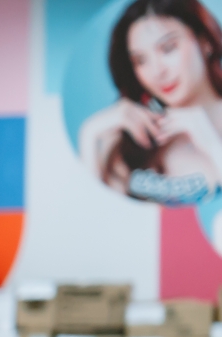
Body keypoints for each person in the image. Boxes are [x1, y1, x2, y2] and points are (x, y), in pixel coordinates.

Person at [79, 0, 222, 203]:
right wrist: (90, 133)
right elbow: (94, 215)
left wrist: (212, 144)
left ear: (205, 41)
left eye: (168, 48)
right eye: (141, 61)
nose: (157, 71)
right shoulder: (130, 144)